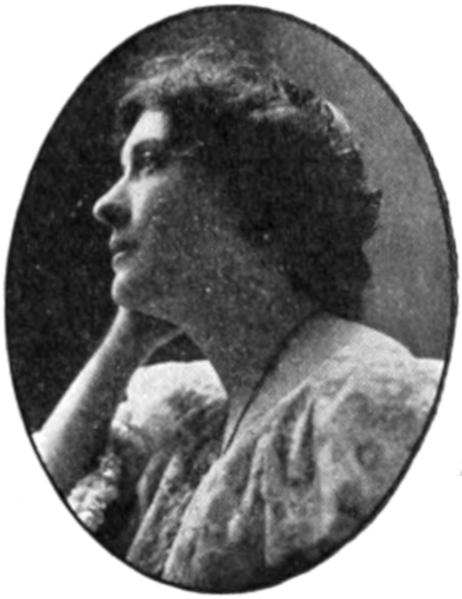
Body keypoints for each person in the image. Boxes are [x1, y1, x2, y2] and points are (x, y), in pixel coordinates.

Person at [34, 44, 443, 591]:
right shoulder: (189, 414)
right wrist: (126, 341)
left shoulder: (369, 403)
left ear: (251, 191)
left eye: (149, 163)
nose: (104, 204)